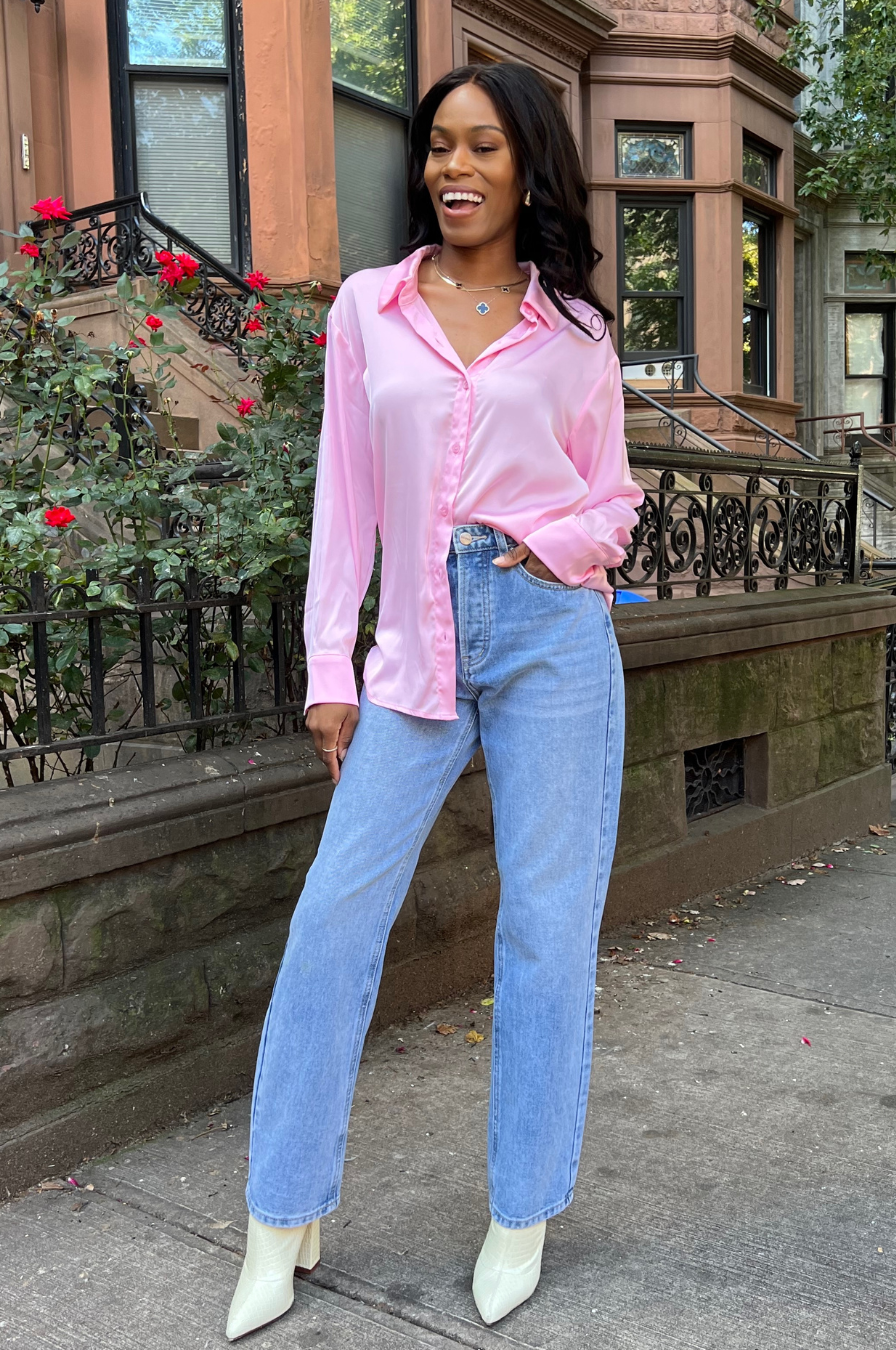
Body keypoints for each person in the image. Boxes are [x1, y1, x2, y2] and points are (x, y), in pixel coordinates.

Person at [226, 61, 643, 1340]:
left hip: (550, 640)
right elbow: (343, 502)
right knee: (332, 926)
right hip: (411, 652)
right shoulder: (371, 309)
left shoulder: (574, 332)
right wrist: (326, 674)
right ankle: (279, 1213)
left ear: (527, 166)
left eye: (482, 149)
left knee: (547, 933)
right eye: (438, 149)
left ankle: (522, 1208)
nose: (454, 171)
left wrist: (553, 545)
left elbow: (613, 503)